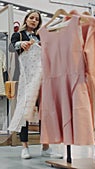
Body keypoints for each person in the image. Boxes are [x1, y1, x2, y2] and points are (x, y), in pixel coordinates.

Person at [10, 10, 63, 159]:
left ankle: (46, 146)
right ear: (26, 19)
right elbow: (12, 46)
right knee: (25, 111)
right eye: (31, 18)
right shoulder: (18, 35)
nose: (33, 20)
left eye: (36, 19)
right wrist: (21, 44)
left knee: (44, 112)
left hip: (43, 77)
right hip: (27, 78)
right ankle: (24, 147)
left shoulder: (41, 35)